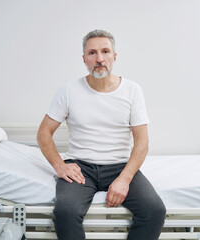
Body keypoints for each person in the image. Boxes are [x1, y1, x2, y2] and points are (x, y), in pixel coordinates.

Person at [37, 29, 166, 240]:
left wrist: (124, 179)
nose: (99, 59)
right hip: (81, 168)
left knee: (154, 211)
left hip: (120, 166)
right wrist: (60, 165)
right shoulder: (68, 91)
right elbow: (43, 132)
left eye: (105, 51)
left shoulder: (132, 90)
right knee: (65, 212)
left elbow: (142, 141)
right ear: (84, 59)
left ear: (114, 57)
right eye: (92, 53)